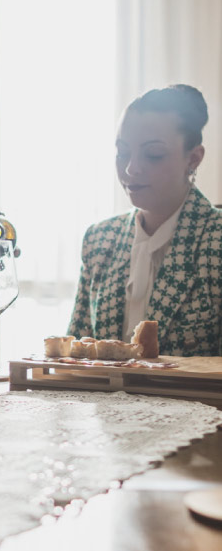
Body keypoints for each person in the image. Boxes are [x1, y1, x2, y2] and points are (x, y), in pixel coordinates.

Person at [68, 84, 222, 355]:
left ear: (194, 158)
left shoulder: (215, 240)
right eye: (123, 152)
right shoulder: (99, 239)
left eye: (153, 155)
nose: (131, 168)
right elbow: (74, 356)